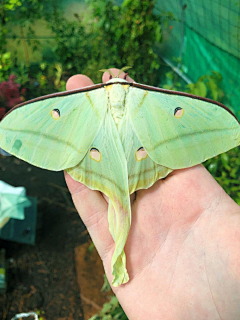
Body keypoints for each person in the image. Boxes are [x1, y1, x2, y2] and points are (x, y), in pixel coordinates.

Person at [65, 68, 240, 319]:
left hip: (120, 150)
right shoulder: (142, 95)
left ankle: (119, 259)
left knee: (118, 199)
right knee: (117, 198)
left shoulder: (96, 97)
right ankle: (118, 258)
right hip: (119, 148)